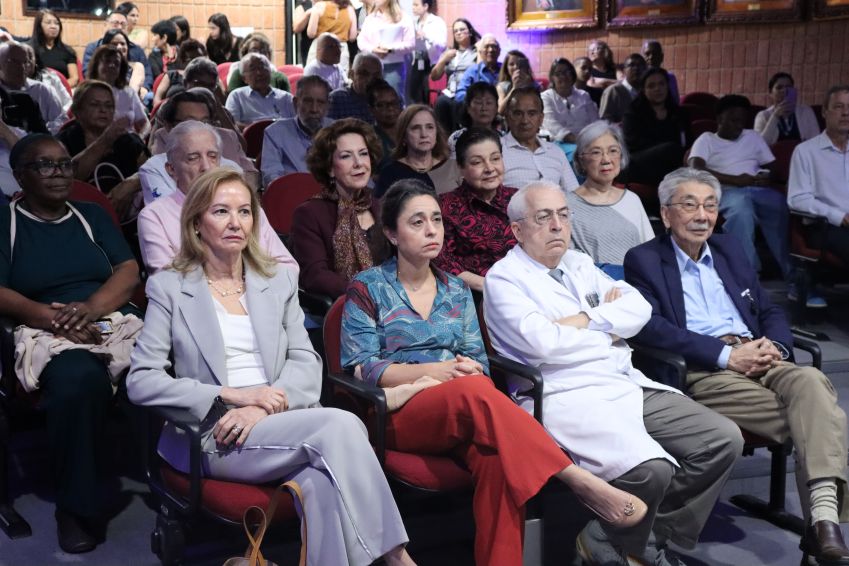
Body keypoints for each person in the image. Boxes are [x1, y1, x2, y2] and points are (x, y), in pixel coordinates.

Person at [343, 178, 649, 566]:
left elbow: (479, 363)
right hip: (398, 413)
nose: (432, 230)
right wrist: (442, 371)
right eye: (417, 222)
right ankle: (576, 478)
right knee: (471, 391)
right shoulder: (368, 286)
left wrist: (467, 370)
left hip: (464, 410)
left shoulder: (455, 289)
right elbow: (364, 368)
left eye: (436, 220)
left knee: (498, 457)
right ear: (391, 233)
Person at [126, 167, 415, 566]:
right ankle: (396, 557)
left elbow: (305, 361)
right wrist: (230, 395)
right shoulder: (170, 287)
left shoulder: (276, 281)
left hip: (281, 417)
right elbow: (141, 381)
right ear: (195, 223)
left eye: (245, 212)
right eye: (221, 211)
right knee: (342, 425)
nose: (235, 222)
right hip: (218, 432)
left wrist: (262, 406)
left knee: (320, 484)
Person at [484, 180, 743, 566]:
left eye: (564, 215)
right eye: (544, 217)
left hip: (622, 381)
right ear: (517, 230)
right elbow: (543, 345)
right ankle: (633, 547)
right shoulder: (503, 279)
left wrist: (583, 320)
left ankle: (624, 539)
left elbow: (639, 310)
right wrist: (608, 332)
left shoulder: (578, 263)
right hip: (563, 393)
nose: (557, 225)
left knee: (722, 440)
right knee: (651, 471)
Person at [624, 166, 849, 566]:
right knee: (824, 418)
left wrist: (776, 345)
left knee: (811, 380)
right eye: (690, 205)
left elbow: (767, 307)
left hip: (759, 354)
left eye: (711, 206)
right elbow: (652, 328)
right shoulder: (644, 259)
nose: (702, 215)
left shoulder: (728, 248)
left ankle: (821, 522)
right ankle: (824, 523)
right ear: (667, 213)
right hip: (705, 368)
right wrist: (725, 355)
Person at [1, 134, 140, 554]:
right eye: (45, 165)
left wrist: (91, 308)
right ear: (20, 176)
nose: (59, 173)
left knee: (184, 350)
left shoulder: (91, 215)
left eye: (64, 164)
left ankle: (194, 475)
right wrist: (54, 318)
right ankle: (75, 508)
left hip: (105, 315)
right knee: (78, 377)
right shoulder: (6, 220)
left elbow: (128, 270)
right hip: (39, 324)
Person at [137, 121, 293, 274]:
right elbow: (165, 278)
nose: (206, 167)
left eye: (212, 156)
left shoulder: (247, 208)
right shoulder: (154, 216)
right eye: (193, 158)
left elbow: (288, 267)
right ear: (171, 169)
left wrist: (248, 287)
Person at [688, 94, 793, 284]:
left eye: (742, 121)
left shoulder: (752, 137)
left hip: (756, 189)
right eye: (734, 120)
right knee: (742, 211)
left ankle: (790, 271)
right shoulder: (707, 139)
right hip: (725, 190)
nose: (739, 126)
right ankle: (748, 274)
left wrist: (767, 177)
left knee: (779, 204)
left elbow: (774, 168)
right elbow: (695, 169)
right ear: (720, 119)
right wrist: (735, 180)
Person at [292, 118, 388, 298]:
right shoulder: (309, 214)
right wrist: (365, 294)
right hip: (345, 304)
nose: (358, 163)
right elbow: (315, 276)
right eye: (346, 156)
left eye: (363, 153)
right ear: (330, 168)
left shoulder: (383, 207)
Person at [141, 88, 258, 204]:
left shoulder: (230, 167)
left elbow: (250, 206)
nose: (200, 128)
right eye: (190, 123)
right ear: (169, 126)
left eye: (205, 122)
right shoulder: (155, 168)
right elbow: (165, 209)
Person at [435, 127, 517, 292]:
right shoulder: (445, 205)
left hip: (527, 288)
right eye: (477, 162)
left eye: (495, 158)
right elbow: (442, 261)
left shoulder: (518, 199)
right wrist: (493, 287)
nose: (489, 168)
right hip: (474, 294)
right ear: (461, 167)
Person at [568, 121, 653, 277]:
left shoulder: (632, 199)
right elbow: (570, 262)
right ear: (581, 160)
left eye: (613, 151)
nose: (606, 159)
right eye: (596, 152)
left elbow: (650, 251)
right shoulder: (566, 205)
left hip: (637, 284)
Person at [787, 85, 849, 266]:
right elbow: (797, 199)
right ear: (824, 112)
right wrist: (840, 216)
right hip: (825, 227)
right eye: (838, 107)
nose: (846, 113)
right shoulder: (806, 151)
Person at [57, 80, 148, 193]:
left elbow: (153, 172)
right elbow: (67, 179)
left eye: (109, 106)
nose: (103, 110)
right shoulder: (62, 143)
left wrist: (132, 184)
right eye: (95, 104)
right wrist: (105, 140)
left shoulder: (128, 140)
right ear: (77, 110)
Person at [501, 87, 579, 193]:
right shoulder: (497, 151)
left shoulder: (555, 152)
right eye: (518, 114)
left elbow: (573, 193)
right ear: (507, 117)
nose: (525, 121)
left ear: (541, 119)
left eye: (532, 114)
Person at [622, 67, 690, 186]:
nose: (658, 89)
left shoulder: (679, 113)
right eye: (651, 86)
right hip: (641, 162)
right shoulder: (633, 112)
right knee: (670, 149)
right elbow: (633, 143)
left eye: (661, 84)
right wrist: (665, 148)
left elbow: (688, 140)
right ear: (644, 90)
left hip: (674, 160)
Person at [261, 75, 334, 186]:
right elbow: (271, 177)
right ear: (295, 103)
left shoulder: (338, 131)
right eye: (308, 101)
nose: (314, 109)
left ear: (327, 106)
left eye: (320, 102)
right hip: (292, 193)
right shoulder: (275, 133)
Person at [375, 105, 456, 197]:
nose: (424, 134)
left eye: (429, 127)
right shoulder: (389, 173)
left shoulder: (452, 168)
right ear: (404, 136)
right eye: (416, 128)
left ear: (436, 133)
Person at [541, 57, 599, 162]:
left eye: (567, 72)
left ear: (572, 74)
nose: (563, 76)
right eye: (558, 73)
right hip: (558, 143)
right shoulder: (546, 97)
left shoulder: (584, 96)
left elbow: (595, 122)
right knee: (578, 154)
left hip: (588, 142)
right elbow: (552, 124)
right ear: (552, 78)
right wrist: (577, 141)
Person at [357, 0, 415, 103]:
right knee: (371, 100)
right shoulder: (371, 18)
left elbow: (410, 44)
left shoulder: (403, 18)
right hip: (372, 66)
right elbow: (361, 40)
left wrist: (390, 49)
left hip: (394, 66)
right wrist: (373, 49)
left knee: (394, 99)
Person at [0, 42, 65, 134]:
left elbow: (61, 120)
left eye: (25, 62)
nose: (22, 68)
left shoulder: (43, 90)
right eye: (14, 62)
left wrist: (40, 134)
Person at [82, 12, 152, 95]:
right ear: (105, 25)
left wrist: (145, 87)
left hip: (135, 91)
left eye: (123, 24)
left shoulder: (137, 50)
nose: (119, 27)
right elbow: (89, 72)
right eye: (115, 23)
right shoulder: (93, 48)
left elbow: (148, 74)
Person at [87, 43, 150, 136]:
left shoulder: (128, 92)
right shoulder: (87, 92)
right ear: (97, 65)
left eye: (116, 63)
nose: (112, 65)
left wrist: (140, 137)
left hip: (126, 141)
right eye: (107, 61)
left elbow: (145, 124)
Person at [430, 18, 480, 132]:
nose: (458, 33)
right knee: (441, 102)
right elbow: (434, 76)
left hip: (467, 91)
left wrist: (480, 48)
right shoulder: (450, 52)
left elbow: (480, 70)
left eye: (462, 30)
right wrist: (443, 60)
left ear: (470, 32)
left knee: (459, 103)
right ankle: (443, 136)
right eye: (455, 31)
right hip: (450, 92)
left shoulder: (476, 52)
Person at [225, 53, 296, 129]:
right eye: (253, 69)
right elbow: (231, 124)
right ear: (244, 78)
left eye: (262, 67)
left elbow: (298, 124)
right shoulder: (237, 96)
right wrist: (257, 129)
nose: (259, 73)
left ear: (270, 71)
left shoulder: (286, 98)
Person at [755, 72, 821, 146]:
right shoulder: (763, 116)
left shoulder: (806, 111)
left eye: (788, 87)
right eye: (779, 88)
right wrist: (775, 116)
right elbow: (759, 145)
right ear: (771, 93)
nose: (784, 91)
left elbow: (816, 141)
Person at [447, 81, 502, 159]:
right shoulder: (457, 138)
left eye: (489, 103)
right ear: (468, 108)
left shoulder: (503, 138)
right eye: (479, 102)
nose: (484, 108)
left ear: (496, 108)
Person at [407, 0, 446, 105]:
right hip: (417, 61)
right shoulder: (414, 23)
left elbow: (442, 44)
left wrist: (426, 36)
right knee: (415, 93)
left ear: (425, 6)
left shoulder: (437, 22)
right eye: (413, 5)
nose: (413, 8)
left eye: (416, 5)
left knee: (428, 92)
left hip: (432, 63)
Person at [227, 32, 292, 93]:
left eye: (263, 51)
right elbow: (232, 98)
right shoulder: (238, 74)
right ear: (245, 54)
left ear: (269, 55)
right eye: (254, 50)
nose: (258, 55)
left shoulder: (280, 79)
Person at [328, 52, 383, 123]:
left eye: (376, 75)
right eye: (364, 74)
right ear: (351, 74)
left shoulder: (387, 99)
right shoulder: (336, 99)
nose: (370, 79)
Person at [28, 9, 79, 87]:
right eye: (48, 23)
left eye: (56, 23)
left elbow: (74, 78)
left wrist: (58, 89)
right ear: (39, 26)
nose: (53, 26)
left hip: (62, 90)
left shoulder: (68, 51)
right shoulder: (29, 49)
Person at [152, 39, 208, 108]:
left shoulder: (207, 77)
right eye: (188, 59)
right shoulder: (172, 75)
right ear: (182, 59)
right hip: (170, 111)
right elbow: (157, 98)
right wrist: (162, 110)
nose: (192, 63)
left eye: (195, 59)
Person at [306, 0, 358, 74]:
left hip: (320, 46)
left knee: (314, 77)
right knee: (339, 78)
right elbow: (352, 37)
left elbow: (311, 33)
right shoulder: (350, 9)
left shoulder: (319, 6)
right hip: (341, 49)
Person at [454, 34, 501, 103]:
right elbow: (460, 94)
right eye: (487, 47)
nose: (490, 50)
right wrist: (475, 99)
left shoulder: (505, 68)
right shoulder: (472, 71)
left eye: (494, 46)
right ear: (480, 52)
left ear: (499, 51)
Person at [599, 54, 645, 124]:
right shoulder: (613, 91)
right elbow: (604, 121)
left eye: (640, 65)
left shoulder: (647, 91)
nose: (636, 68)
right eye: (631, 65)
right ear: (624, 70)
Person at [100, 29, 146, 98]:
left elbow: (132, 91)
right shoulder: (100, 67)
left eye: (122, 44)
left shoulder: (136, 66)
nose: (119, 47)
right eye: (114, 44)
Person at [367, 78, 402, 168]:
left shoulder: (410, 132)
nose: (390, 108)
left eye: (394, 103)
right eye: (382, 105)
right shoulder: (369, 138)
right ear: (371, 110)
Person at [496, 50, 536, 115]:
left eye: (519, 64)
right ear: (506, 67)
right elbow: (501, 111)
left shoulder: (535, 85)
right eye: (511, 64)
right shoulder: (502, 86)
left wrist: (528, 86)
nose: (516, 67)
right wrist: (514, 88)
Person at [641, 40, 679, 104]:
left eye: (655, 54)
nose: (651, 57)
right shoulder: (638, 78)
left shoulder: (670, 78)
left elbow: (675, 102)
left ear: (661, 57)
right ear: (642, 58)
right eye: (647, 54)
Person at [293, 0, 314, 66]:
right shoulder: (302, 7)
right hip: (309, 47)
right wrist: (307, 14)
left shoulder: (331, 5)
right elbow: (296, 28)